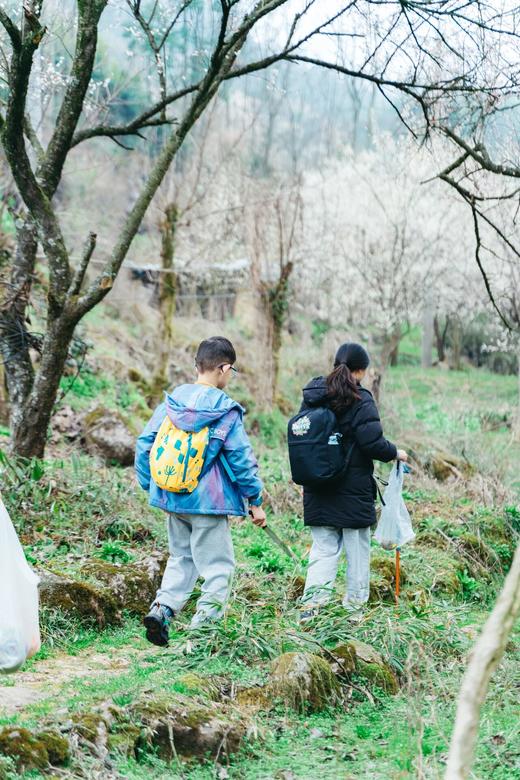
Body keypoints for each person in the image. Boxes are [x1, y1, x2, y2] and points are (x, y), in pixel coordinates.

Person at [135, 336, 266, 645]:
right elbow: (241, 461)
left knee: (182, 557)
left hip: (172, 497)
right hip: (208, 502)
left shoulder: (172, 402)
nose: (231, 376)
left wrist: (150, 484)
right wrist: (255, 500)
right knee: (218, 566)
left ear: (198, 366)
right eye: (232, 370)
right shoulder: (225, 410)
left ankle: (162, 609)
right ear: (222, 368)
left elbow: (144, 444)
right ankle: (203, 632)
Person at [299, 342, 407, 621]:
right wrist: (396, 452)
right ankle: (355, 612)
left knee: (323, 550)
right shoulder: (360, 398)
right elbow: (373, 444)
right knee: (357, 552)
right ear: (362, 369)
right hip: (352, 491)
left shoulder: (313, 395)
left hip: (318, 488)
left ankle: (311, 609)